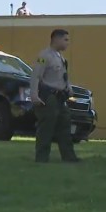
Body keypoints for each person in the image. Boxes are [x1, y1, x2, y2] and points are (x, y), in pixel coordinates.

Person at [30, 29, 79, 163]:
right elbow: (36, 76)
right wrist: (34, 95)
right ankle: (41, 158)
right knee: (46, 128)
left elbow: (63, 76)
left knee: (65, 126)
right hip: (48, 97)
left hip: (60, 97)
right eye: (65, 40)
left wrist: (69, 88)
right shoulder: (44, 56)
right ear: (56, 39)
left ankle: (69, 157)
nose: (67, 43)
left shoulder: (60, 57)